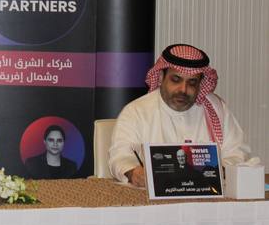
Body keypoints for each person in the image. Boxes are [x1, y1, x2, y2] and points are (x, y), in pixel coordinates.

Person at [108, 43, 254, 187]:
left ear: (200, 84)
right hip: (151, 197)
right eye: (176, 80)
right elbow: (120, 156)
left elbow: (238, 152)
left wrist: (218, 171)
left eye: (192, 82)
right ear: (161, 77)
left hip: (207, 194)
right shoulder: (137, 111)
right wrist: (133, 172)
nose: (183, 90)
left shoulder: (215, 108)